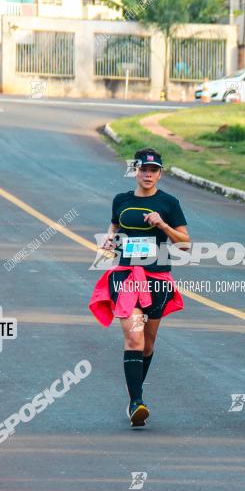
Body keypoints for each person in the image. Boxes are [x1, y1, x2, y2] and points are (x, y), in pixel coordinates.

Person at [89, 148, 190, 427]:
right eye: (143, 169)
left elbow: (185, 243)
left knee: (148, 342)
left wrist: (163, 224)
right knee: (134, 337)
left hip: (157, 278)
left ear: (160, 173)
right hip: (125, 276)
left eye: (154, 170)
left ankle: (136, 393)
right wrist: (108, 242)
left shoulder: (169, 202)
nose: (148, 174)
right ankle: (136, 403)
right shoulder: (121, 200)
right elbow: (113, 231)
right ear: (135, 170)